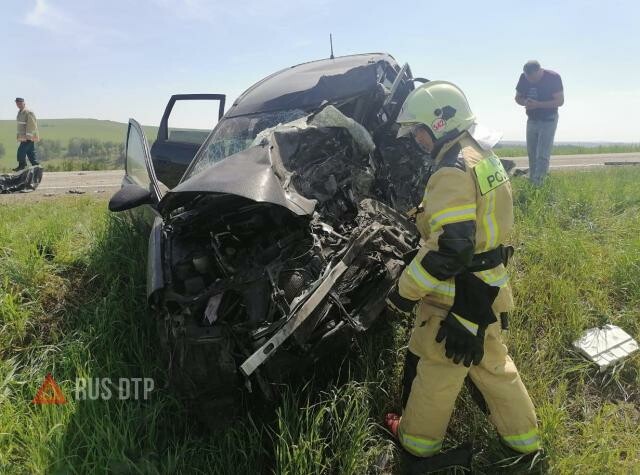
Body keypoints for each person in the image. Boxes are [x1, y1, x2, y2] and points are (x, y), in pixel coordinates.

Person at [384, 81, 541, 464]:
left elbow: (451, 249)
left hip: (457, 294)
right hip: (487, 286)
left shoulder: (451, 170)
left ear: (438, 123)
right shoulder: (479, 155)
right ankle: (525, 443)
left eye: (418, 130)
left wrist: (403, 293)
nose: (416, 139)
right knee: (493, 365)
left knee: (439, 371)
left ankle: (415, 445)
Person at [515, 60, 564, 185]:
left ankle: (539, 185)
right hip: (532, 119)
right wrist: (525, 102)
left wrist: (538, 105)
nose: (531, 80)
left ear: (539, 71)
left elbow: (560, 101)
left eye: (533, 78)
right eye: (528, 77)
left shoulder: (553, 77)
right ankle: (533, 181)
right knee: (532, 153)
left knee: (542, 154)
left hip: (548, 119)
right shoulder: (524, 78)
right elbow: (518, 98)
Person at [14, 97, 40, 171]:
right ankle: (37, 168)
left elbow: (31, 125)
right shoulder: (20, 112)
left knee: (21, 151)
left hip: (28, 137)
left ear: (24, 103)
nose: (18, 105)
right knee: (31, 154)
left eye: (20, 103)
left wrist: (28, 136)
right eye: (17, 103)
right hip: (23, 137)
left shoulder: (28, 112)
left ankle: (22, 166)